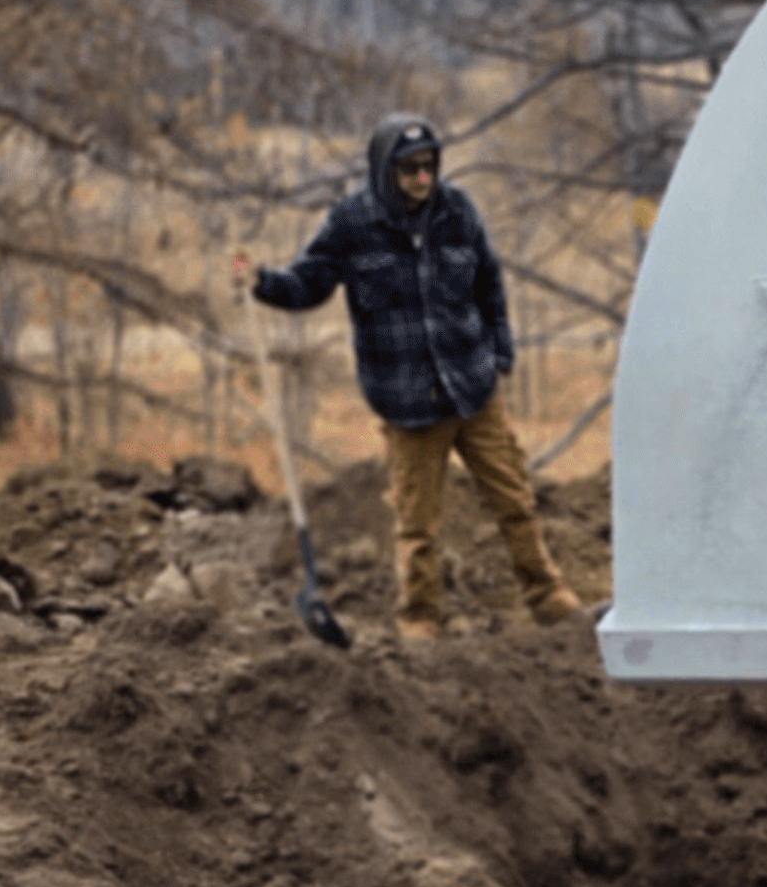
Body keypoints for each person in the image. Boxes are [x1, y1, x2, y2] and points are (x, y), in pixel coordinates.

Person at [246, 116, 574, 639]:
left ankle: (549, 597)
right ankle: (421, 619)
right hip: (409, 400)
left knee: (514, 499)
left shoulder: (457, 211)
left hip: (473, 386)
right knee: (418, 526)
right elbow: (308, 284)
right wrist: (262, 283)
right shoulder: (351, 224)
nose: (423, 179)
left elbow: (490, 283)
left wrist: (501, 356)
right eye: (410, 170)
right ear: (384, 171)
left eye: (429, 167)